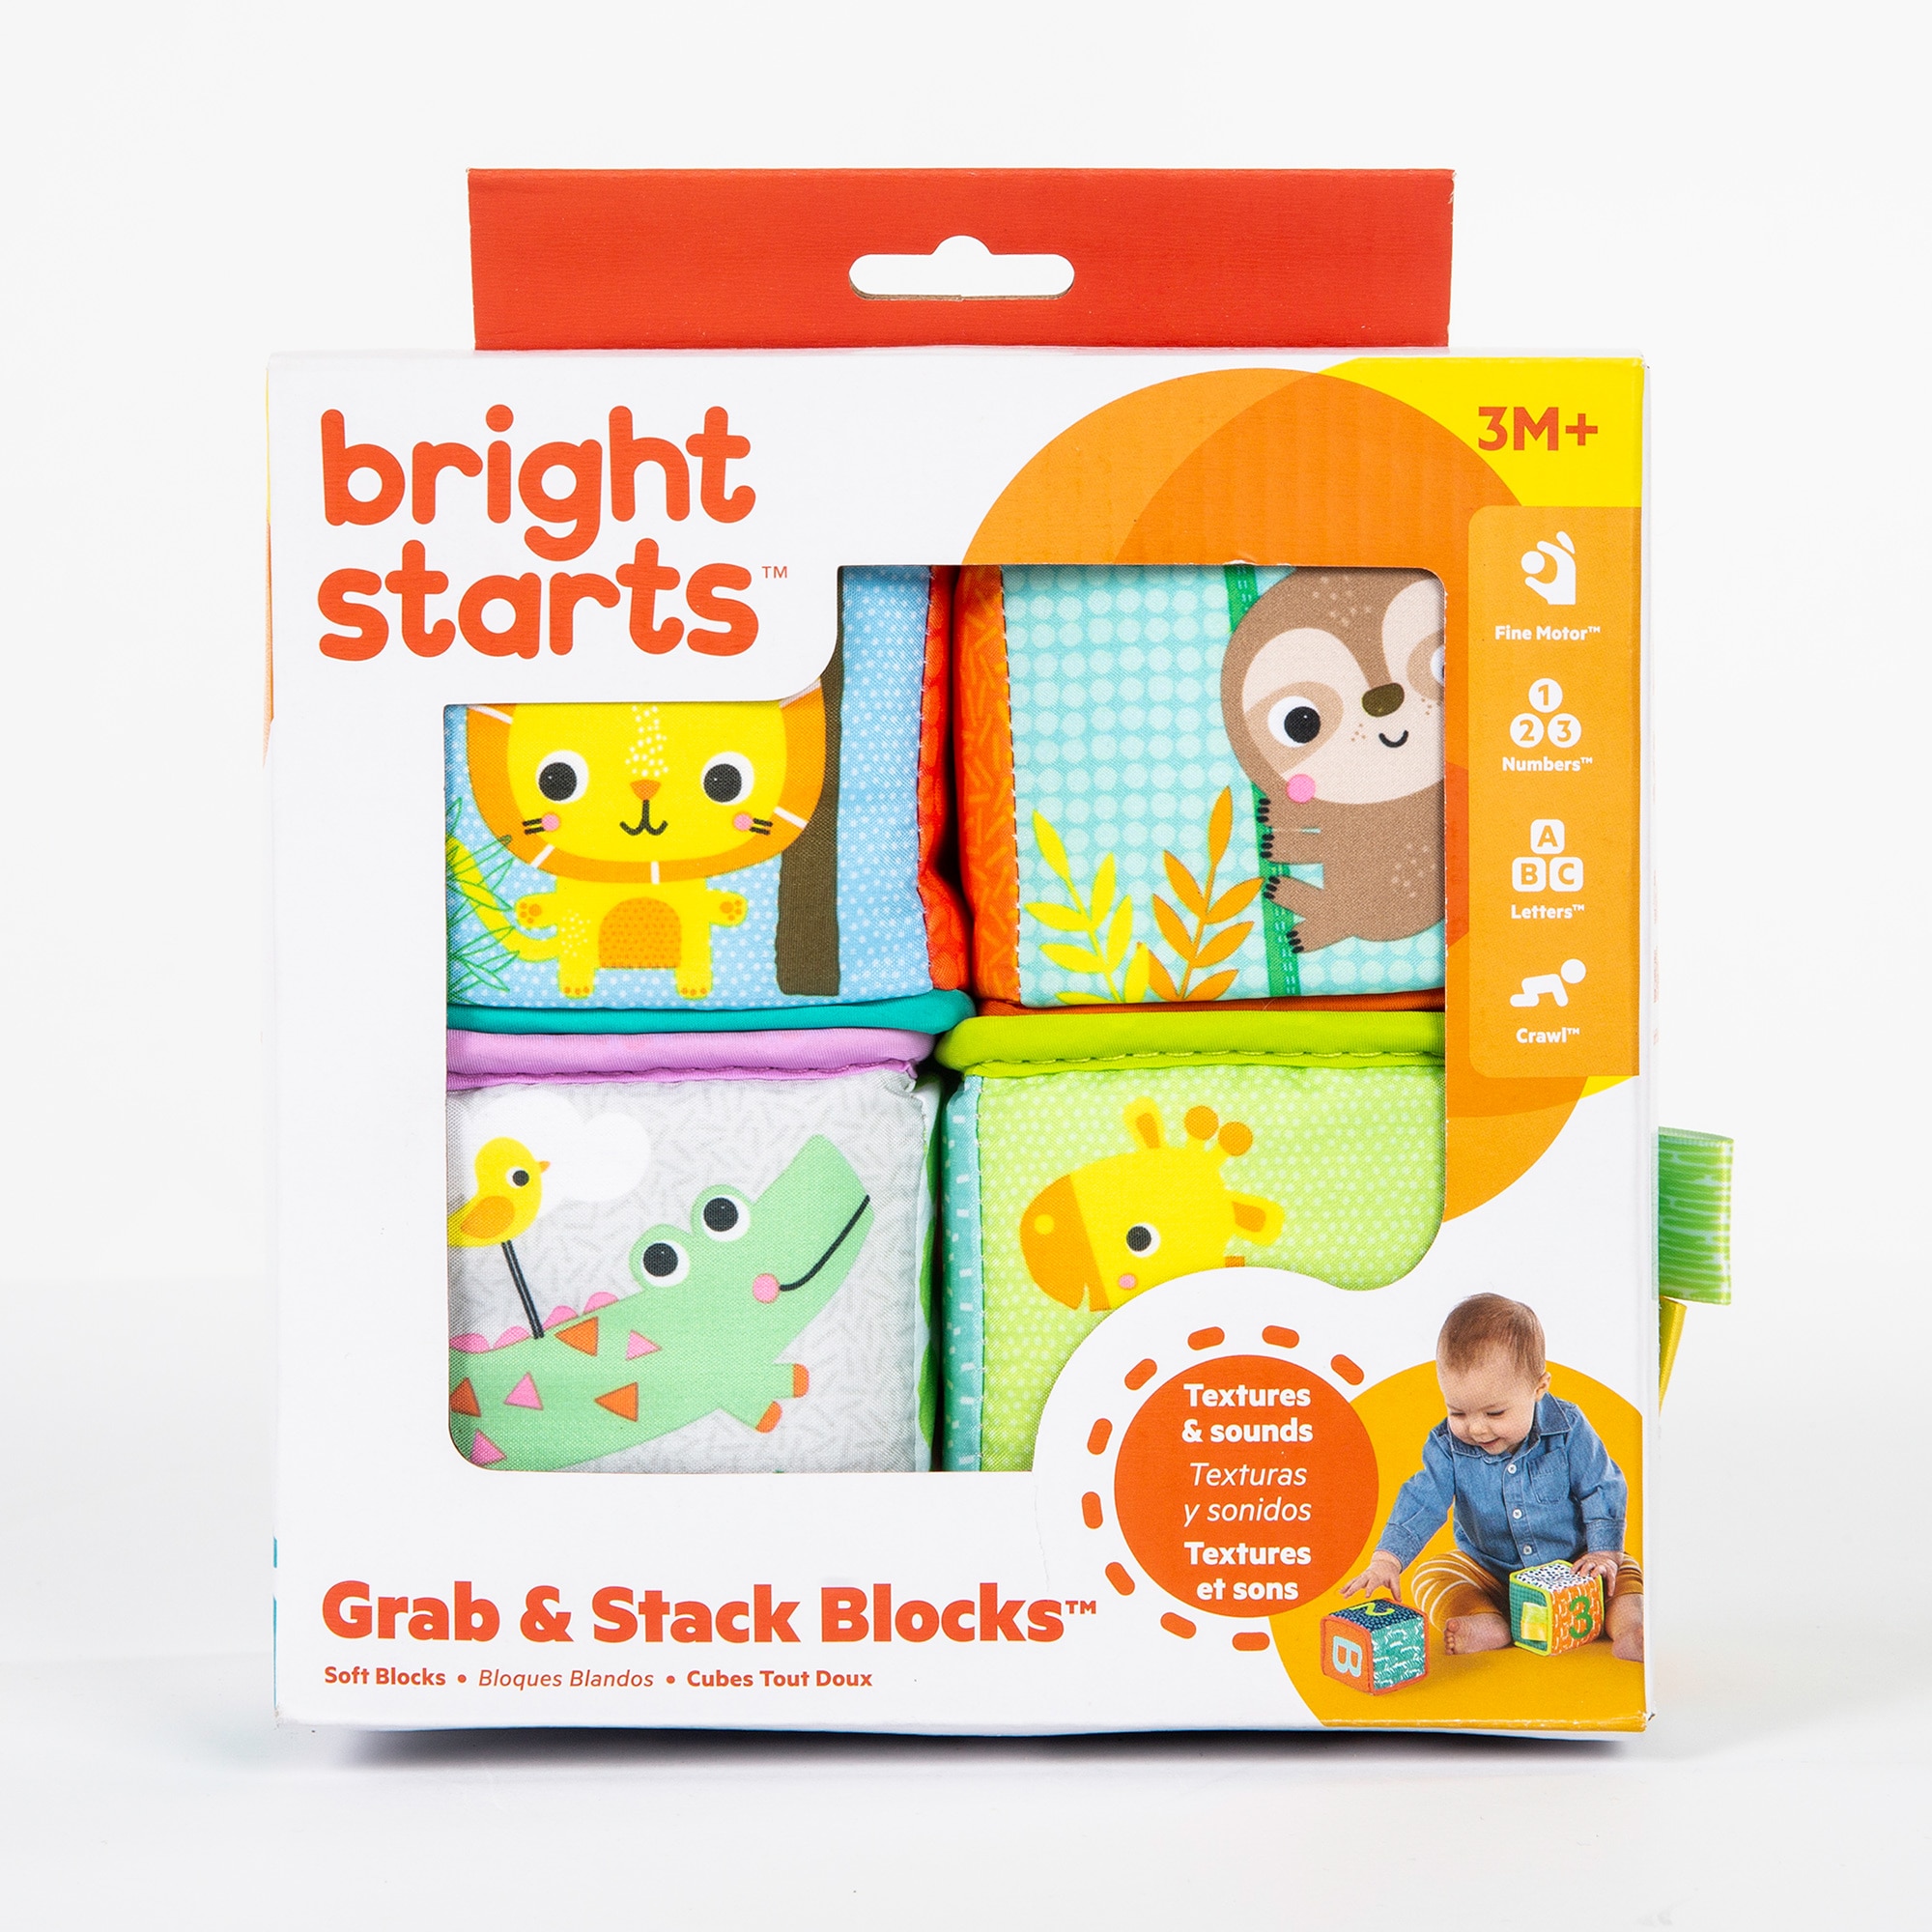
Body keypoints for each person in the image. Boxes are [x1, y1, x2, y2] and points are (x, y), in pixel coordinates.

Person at [1342, 1293, 1642, 1661]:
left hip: (1573, 1566)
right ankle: (1486, 1620)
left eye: (1495, 1413)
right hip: (1490, 1572)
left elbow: (1602, 1485)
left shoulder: (1568, 1428)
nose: (1477, 1429)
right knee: (1432, 1574)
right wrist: (1388, 1559)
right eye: (1458, 1412)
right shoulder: (1447, 1446)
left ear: (1539, 1388)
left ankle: (1630, 1629)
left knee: (1623, 1570)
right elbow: (1423, 1500)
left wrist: (1602, 1552)